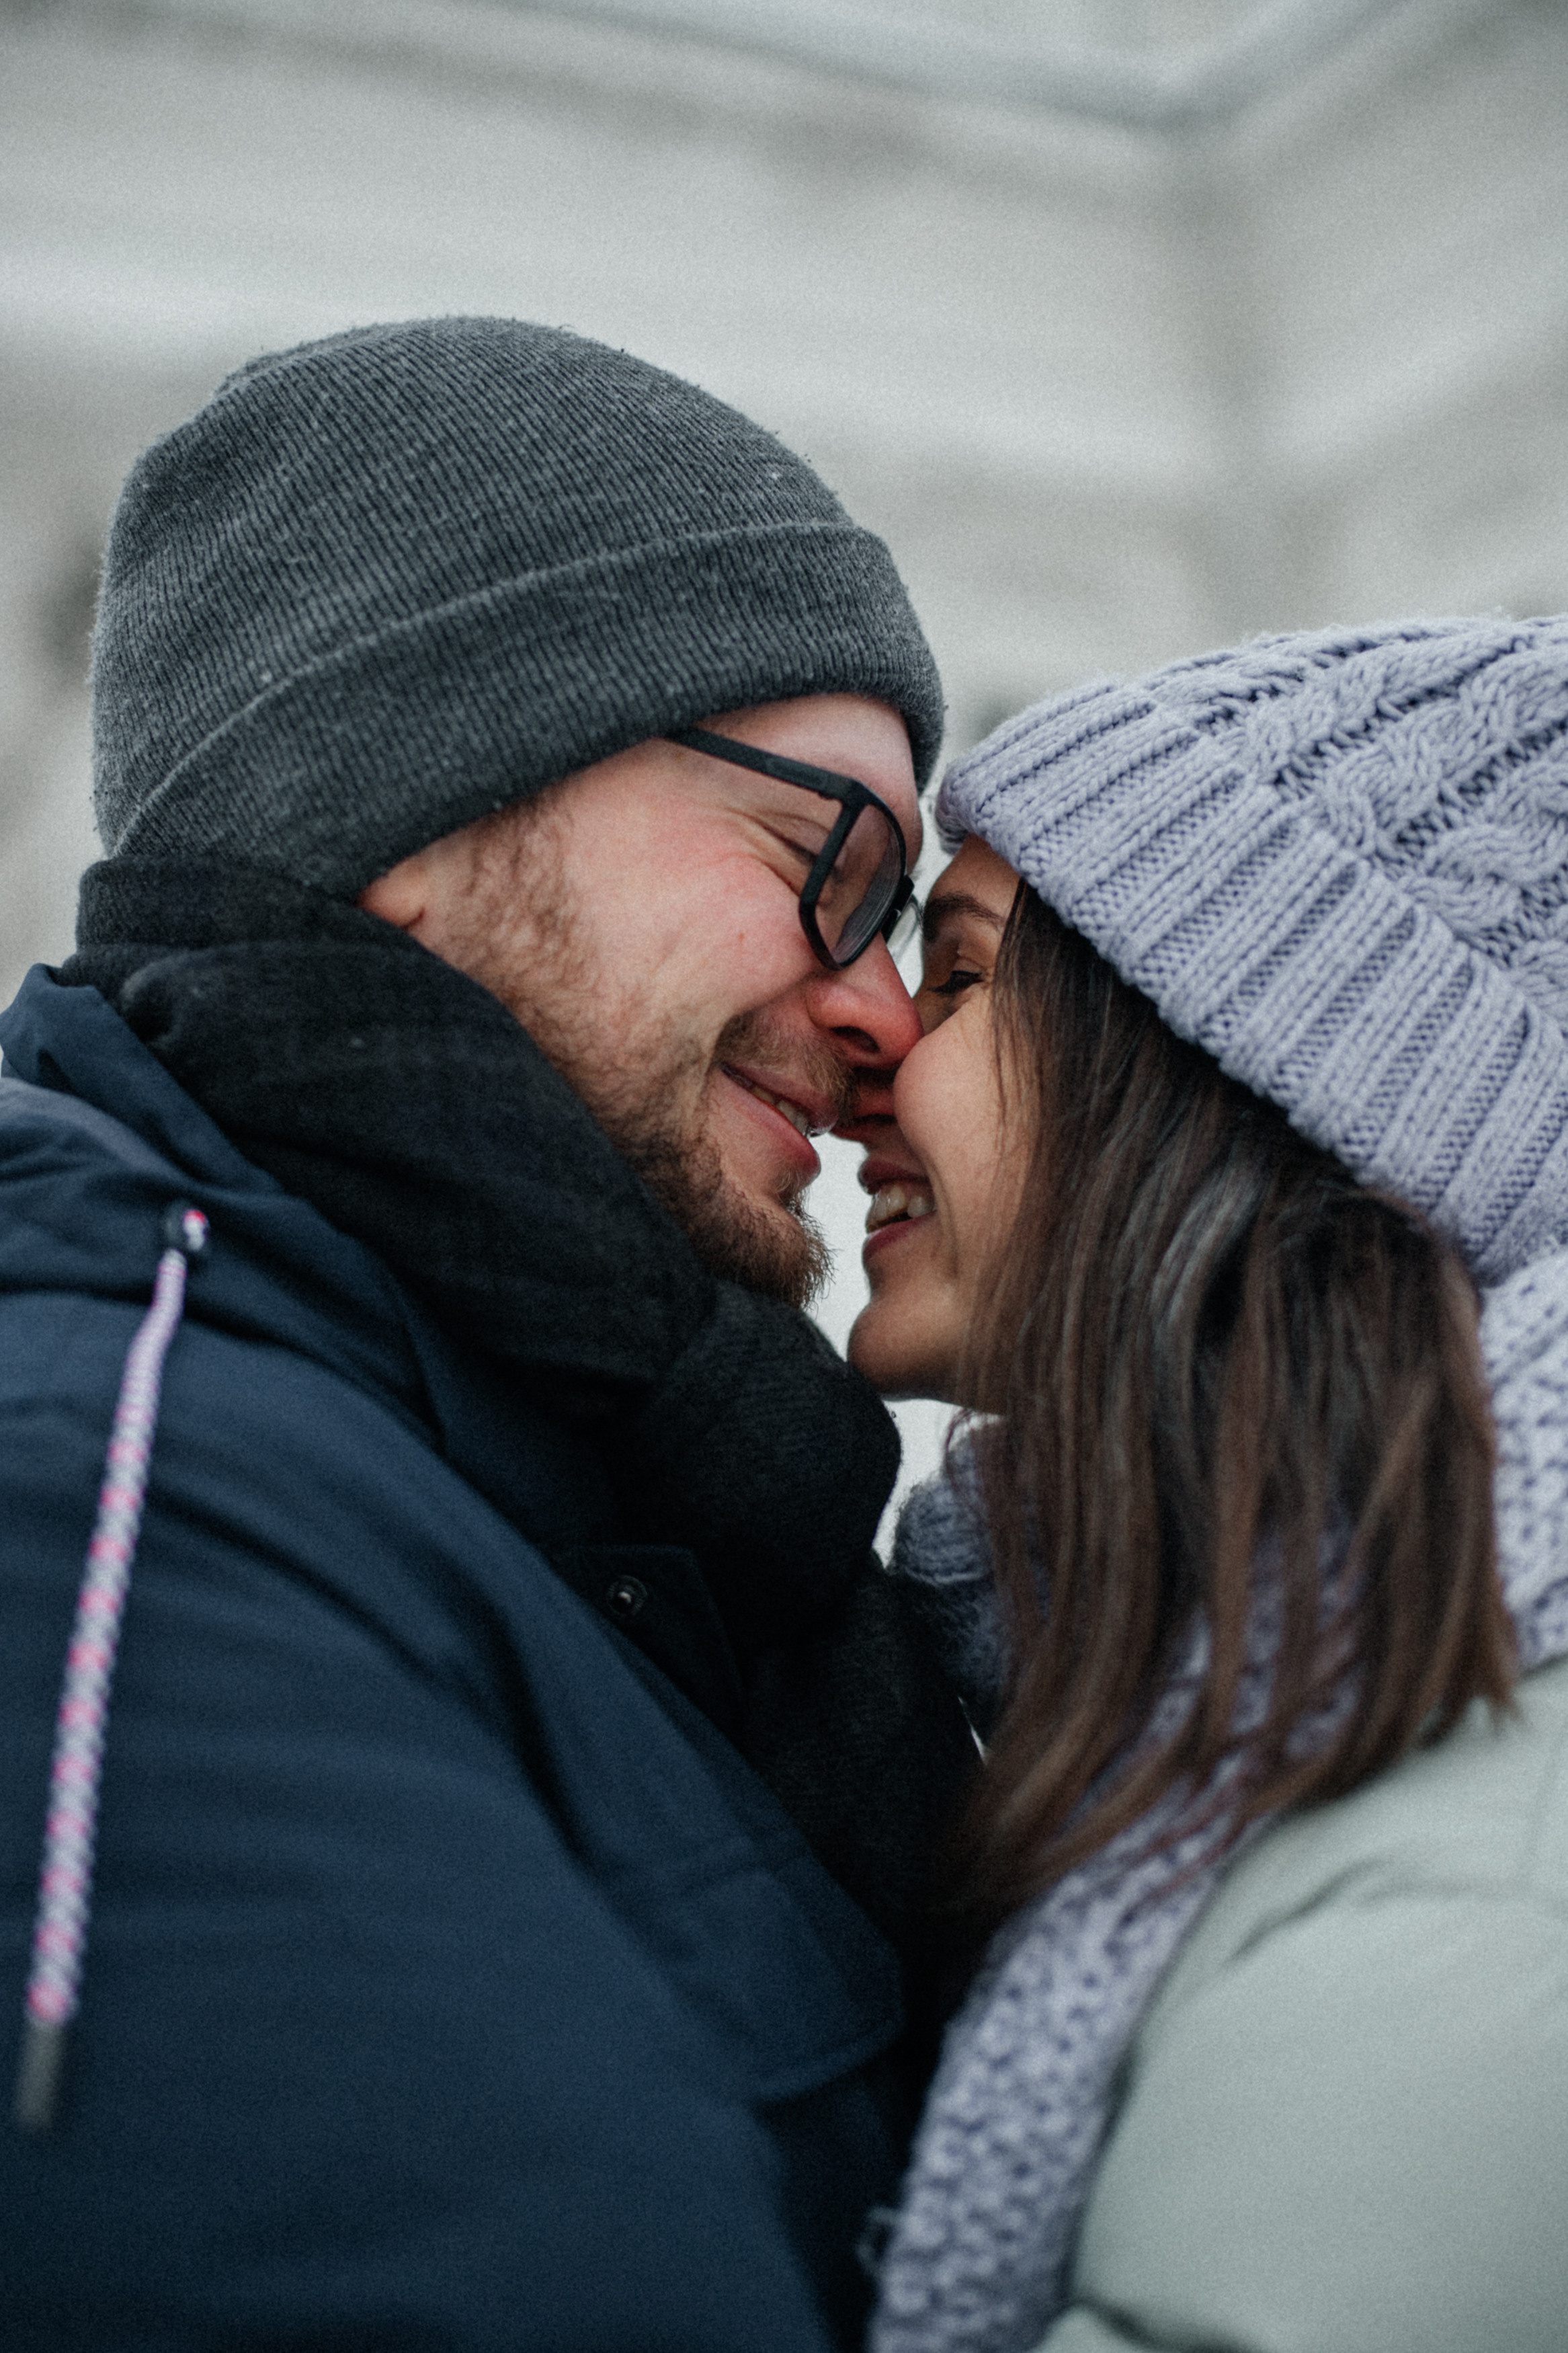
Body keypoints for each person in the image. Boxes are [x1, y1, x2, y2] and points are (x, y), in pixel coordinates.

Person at [0, 316, 975, 2351]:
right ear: (416, 817)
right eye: (831, 864)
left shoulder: (630, 1510)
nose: (886, 1016)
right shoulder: (108, 1496)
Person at [841, 617, 1568, 2353]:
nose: (868, 1051)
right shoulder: (1238, 1704)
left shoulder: (1485, 1882)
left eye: (959, 975)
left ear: (1249, 1076)